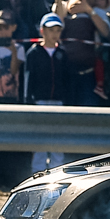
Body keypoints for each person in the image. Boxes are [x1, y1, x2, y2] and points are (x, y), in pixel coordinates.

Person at [25, 13, 71, 172]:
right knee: (40, 140)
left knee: (58, 140)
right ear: (42, 31)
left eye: (58, 30)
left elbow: (67, 79)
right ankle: (37, 171)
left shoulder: (63, 54)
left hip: (59, 102)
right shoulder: (34, 53)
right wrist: (28, 100)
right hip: (39, 101)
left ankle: (57, 172)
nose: (54, 34)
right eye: (51, 30)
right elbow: (28, 78)